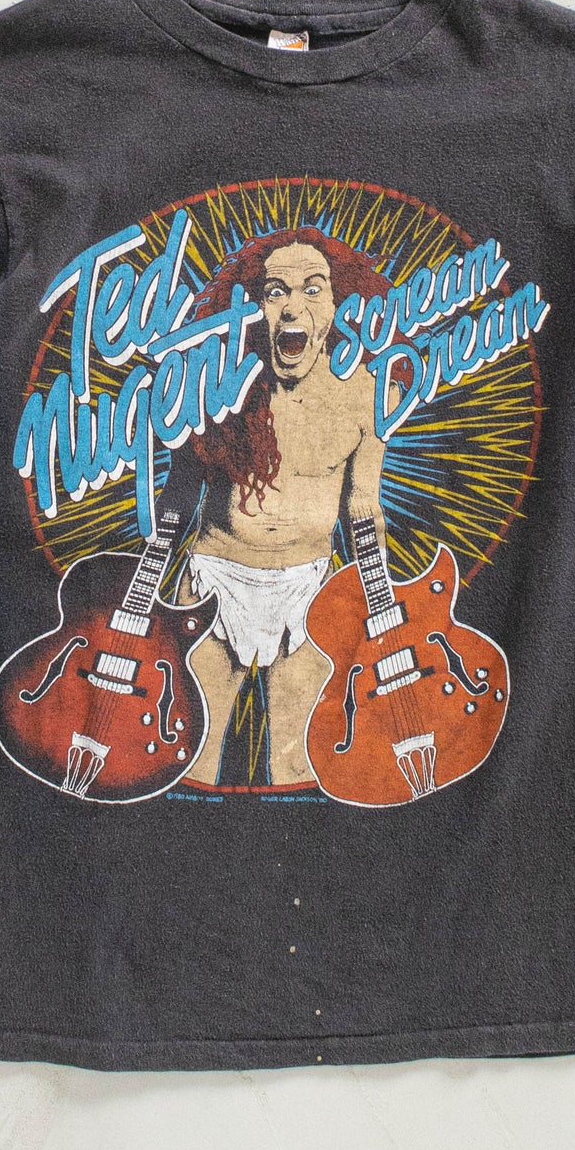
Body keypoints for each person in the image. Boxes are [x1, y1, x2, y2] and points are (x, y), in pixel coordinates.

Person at [163, 226, 395, 787]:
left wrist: (382, 605)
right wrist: (139, 601)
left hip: (308, 592)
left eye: (313, 289)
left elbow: (363, 506)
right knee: (191, 758)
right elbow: (178, 495)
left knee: (297, 763)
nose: (292, 306)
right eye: (275, 292)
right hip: (214, 584)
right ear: (251, 308)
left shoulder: (367, 393)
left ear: (340, 304)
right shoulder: (216, 386)